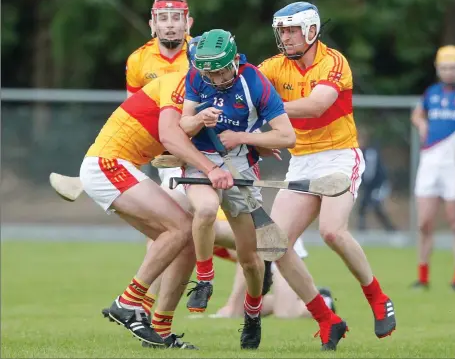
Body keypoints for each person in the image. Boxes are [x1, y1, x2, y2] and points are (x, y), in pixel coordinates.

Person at [257, 2, 396, 350]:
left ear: (311, 31)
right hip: (301, 160)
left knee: (332, 231)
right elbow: (244, 86)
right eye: (282, 31)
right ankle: (326, 319)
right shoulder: (274, 67)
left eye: (291, 30)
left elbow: (316, 104)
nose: (285, 37)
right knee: (272, 244)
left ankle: (378, 298)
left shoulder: (334, 62)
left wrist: (266, 107)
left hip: (337, 156)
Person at [79, 36, 234, 349]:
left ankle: (160, 329)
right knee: (179, 228)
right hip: (109, 163)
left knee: (188, 237)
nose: (217, 76)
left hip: (121, 166)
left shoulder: (196, 97)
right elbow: (170, 136)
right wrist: (211, 169)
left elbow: (171, 143)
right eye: (210, 69)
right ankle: (129, 302)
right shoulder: (177, 84)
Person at [180, 29, 296, 350]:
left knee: (249, 260)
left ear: (233, 60)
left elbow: (287, 137)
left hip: (240, 165)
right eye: (209, 72)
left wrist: (243, 138)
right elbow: (182, 127)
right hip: (201, 159)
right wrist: (200, 118)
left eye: (220, 70)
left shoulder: (255, 82)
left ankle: (253, 313)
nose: (215, 78)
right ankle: (204, 280)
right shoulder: (195, 76)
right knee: (204, 210)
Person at [410, 45, 455, 290]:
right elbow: (417, 115)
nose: (449, 72)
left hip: (453, 166)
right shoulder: (431, 93)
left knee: (454, 222)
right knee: (424, 222)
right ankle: (423, 277)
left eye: (453, 68)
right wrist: (421, 124)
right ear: (438, 69)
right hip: (430, 162)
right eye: (445, 68)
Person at [210, 237, 336, 319]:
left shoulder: (215, 221)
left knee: (285, 314)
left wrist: (232, 304)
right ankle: (303, 295)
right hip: (258, 257)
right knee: (242, 312)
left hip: (279, 247)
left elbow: (244, 257)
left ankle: (324, 302)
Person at [357, 127, 397, 232]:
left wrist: (363, 184)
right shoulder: (359, 153)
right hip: (369, 186)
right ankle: (361, 230)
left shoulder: (370, 153)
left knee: (375, 205)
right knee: (362, 206)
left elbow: (370, 173)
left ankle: (390, 229)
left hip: (379, 185)